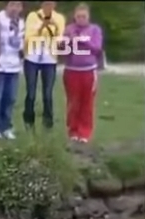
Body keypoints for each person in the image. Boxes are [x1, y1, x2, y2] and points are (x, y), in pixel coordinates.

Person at [61, 4, 103, 146]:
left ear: (88, 17)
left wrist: (83, 40)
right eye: (78, 16)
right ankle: (73, 131)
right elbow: (62, 51)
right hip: (71, 70)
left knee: (87, 102)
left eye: (83, 16)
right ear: (74, 17)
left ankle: (84, 132)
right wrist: (68, 42)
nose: (81, 19)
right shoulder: (69, 29)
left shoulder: (94, 30)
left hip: (88, 71)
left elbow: (97, 48)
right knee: (73, 102)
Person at [23, 1, 64, 131]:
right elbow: (27, 37)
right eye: (46, 3)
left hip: (49, 58)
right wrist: (41, 27)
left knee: (47, 93)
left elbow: (60, 41)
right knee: (31, 93)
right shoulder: (33, 16)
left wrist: (55, 26)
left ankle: (48, 122)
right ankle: (28, 121)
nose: (48, 6)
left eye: (51, 4)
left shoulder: (59, 18)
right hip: (32, 56)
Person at [0, 1, 24, 140]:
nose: (15, 9)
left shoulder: (20, 23)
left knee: (10, 98)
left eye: (18, 6)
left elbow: (20, 43)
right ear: (7, 6)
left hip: (14, 66)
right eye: (12, 5)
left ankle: (6, 126)